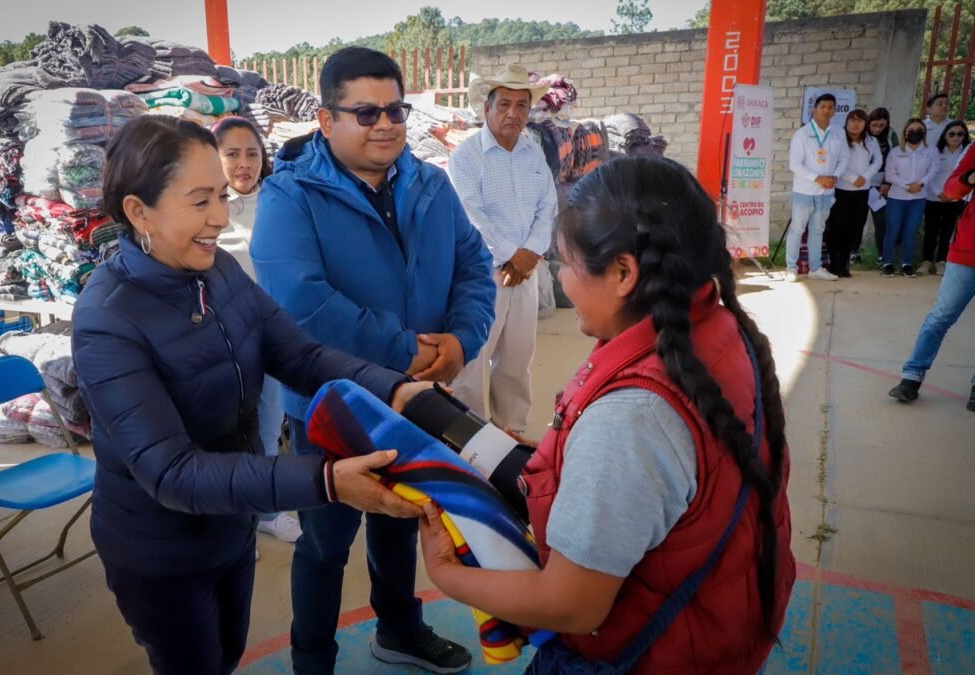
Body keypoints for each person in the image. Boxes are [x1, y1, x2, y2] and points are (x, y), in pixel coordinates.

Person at [72, 115, 430, 675]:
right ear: (139, 211)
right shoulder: (107, 319)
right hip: (160, 549)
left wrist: (400, 390)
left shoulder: (218, 276)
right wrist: (328, 482)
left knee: (229, 652)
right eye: (199, 201)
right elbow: (172, 473)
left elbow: (302, 356)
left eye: (220, 194)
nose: (220, 216)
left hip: (229, 522)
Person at [419, 156, 795, 672]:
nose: (565, 282)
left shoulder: (633, 414)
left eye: (568, 264)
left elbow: (572, 605)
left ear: (623, 272)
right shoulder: (715, 327)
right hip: (714, 633)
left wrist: (445, 574)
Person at [252, 47, 495, 674]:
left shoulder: (430, 183)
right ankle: (313, 661)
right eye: (365, 112)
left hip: (414, 398)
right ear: (328, 119)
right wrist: (407, 349)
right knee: (326, 545)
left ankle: (399, 631)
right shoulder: (290, 196)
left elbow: (472, 264)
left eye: (394, 109)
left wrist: (462, 339)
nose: (385, 123)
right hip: (330, 405)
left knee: (400, 523)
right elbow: (302, 306)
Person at [448, 64, 556, 435]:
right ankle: (469, 442)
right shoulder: (466, 156)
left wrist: (530, 254)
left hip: (525, 272)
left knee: (516, 359)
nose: (513, 113)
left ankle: (512, 433)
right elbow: (469, 213)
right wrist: (513, 253)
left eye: (522, 105)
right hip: (482, 272)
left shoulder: (533, 152)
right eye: (504, 104)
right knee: (474, 360)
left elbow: (548, 206)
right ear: (487, 109)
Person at [212, 115, 303, 553]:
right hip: (220, 340)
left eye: (251, 153)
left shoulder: (280, 199)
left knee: (269, 424)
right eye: (231, 154)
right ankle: (227, 507)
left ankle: (265, 512)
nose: (243, 163)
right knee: (223, 429)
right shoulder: (207, 206)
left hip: (271, 333)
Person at [888, 137, 975, 411]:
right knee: (941, 316)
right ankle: (911, 377)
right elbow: (950, 190)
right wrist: (971, 177)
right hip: (967, 252)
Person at [786, 93, 850, 282]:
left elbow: (845, 158)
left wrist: (835, 176)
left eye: (831, 107)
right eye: (823, 106)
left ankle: (815, 268)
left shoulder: (838, 133)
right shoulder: (802, 134)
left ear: (835, 110)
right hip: (804, 191)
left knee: (817, 230)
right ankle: (791, 267)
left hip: (827, 192)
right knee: (797, 229)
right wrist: (817, 178)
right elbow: (794, 164)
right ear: (814, 109)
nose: (827, 110)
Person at [825, 109, 881, 277]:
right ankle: (833, 263)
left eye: (860, 121)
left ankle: (844, 263)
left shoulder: (872, 141)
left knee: (854, 228)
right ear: (847, 122)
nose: (856, 124)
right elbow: (834, 162)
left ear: (865, 123)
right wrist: (852, 178)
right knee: (837, 228)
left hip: (862, 191)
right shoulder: (838, 139)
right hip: (842, 189)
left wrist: (865, 177)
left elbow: (878, 161)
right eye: (852, 120)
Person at [882, 118, 938, 278]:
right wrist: (908, 186)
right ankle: (887, 263)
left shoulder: (931, 151)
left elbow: (933, 170)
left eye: (919, 130)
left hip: (918, 198)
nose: (915, 133)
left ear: (924, 133)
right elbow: (890, 174)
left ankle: (907, 263)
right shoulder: (896, 152)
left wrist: (920, 184)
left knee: (910, 231)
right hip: (897, 197)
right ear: (905, 133)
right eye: (911, 130)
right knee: (892, 230)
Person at [921, 121, 972, 275]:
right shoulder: (935, 152)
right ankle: (926, 260)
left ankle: (941, 261)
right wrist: (939, 193)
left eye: (960, 134)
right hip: (935, 197)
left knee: (948, 231)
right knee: (931, 231)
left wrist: (952, 194)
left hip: (956, 200)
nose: (956, 137)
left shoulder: (966, 153)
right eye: (952, 134)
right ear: (945, 135)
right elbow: (928, 175)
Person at [867, 107, 899, 266]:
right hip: (859, 183)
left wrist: (887, 182)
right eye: (874, 125)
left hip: (880, 185)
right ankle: (853, 252)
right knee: (855, 221)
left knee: (881, 222)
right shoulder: (862, 134)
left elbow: (895, 160)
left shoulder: (891, 136)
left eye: (881, 126)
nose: (877, 129)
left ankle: (882, 254)